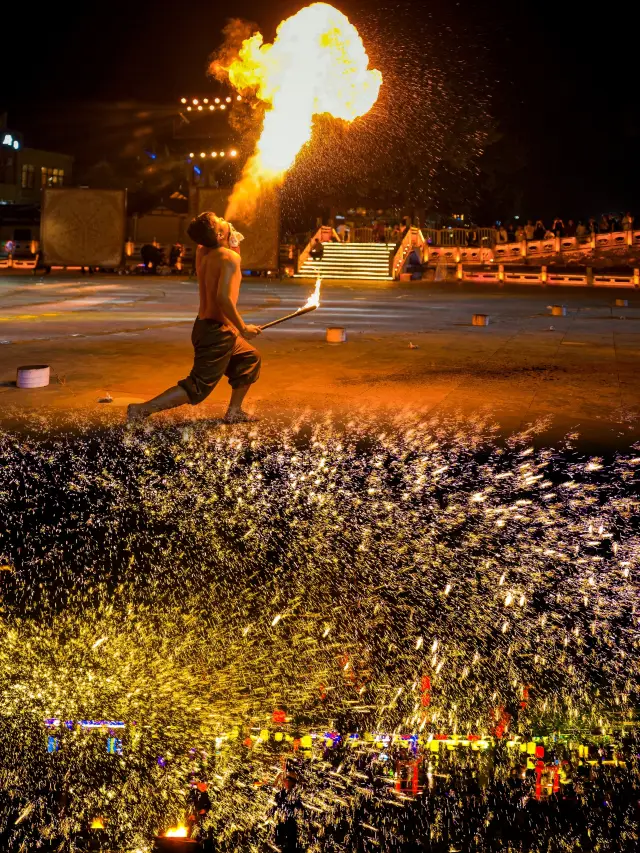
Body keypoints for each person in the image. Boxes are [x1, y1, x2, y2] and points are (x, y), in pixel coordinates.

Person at [127, 212, 261, 423]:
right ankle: (141, 409)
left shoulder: (202, 251)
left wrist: (230, 240)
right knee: (197, 386)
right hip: (218, 333)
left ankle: (234, 411)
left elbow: (217, 250)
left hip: (205, 327)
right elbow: (223, 299)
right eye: (220, 222)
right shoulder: (229, 258)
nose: (225, 221)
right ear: (218, 234)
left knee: (248, 358)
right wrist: (243, 328)